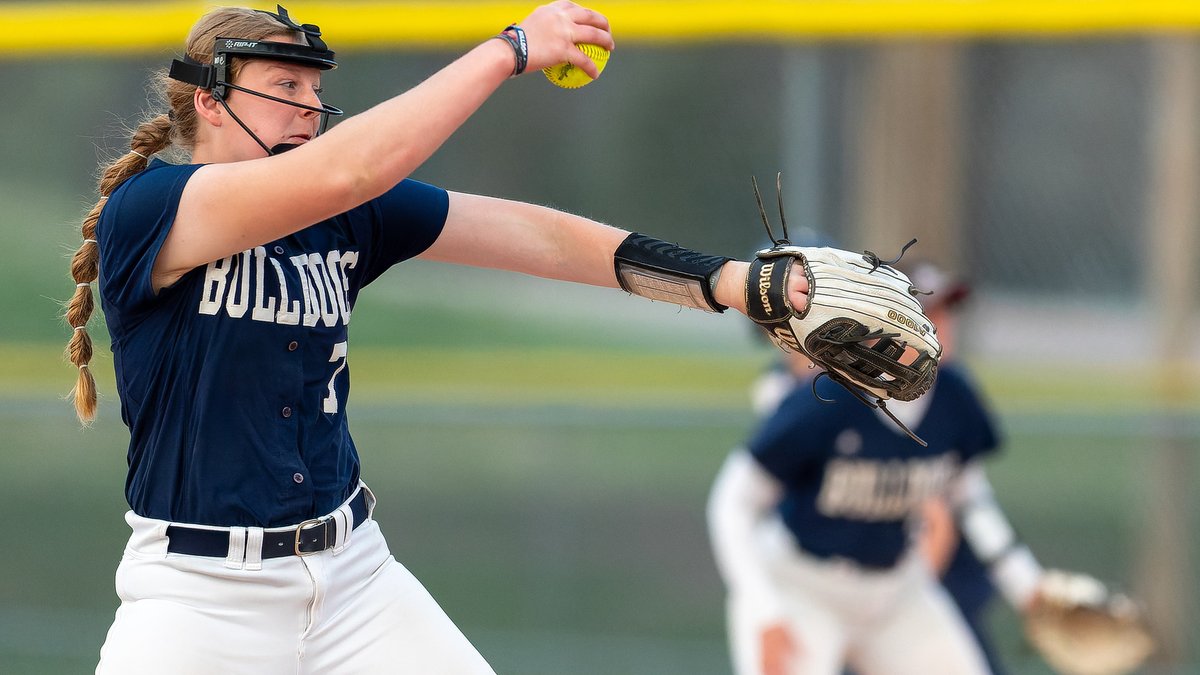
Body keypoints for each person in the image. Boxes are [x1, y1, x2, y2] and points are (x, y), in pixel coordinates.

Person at [60, 3, 827, 672]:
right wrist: (509, 51)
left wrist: (727, 281)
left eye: (318, 90)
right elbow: (349, 170)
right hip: (201, 598)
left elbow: (542, 239)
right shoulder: (153, 208)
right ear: (212, 102)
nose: (310, 106)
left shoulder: (343, 213)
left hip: (354, 579)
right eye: (286, 86)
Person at [706, 259, 1045, 675]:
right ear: (881, 320)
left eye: (945, 314)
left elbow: (969, 498)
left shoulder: (955, 397)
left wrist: (1027, 586)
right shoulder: (827, 396)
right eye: (926, 314)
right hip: (803, 586)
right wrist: (763, 608)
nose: (941, 326)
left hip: (895, 589)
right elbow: (732, 502)